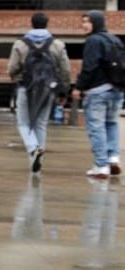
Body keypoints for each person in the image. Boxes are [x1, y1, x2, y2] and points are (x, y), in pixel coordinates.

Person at [7, 13, 70, 175]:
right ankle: (38, 161)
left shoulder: (20, 44)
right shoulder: (57, 44)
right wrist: (63, 91)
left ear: (32, 23)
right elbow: (65, 70)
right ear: (47, 24)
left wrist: (15, 76)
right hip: (48, 89)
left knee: (24, 123)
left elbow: (12, 68)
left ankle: (33, 149)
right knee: (41, 124)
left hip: (26, 87)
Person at [70, 10, 124, 182]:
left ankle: (101, 166)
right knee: (112, 123)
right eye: (83, 21)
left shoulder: (93, 40)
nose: (84, 25)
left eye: (87, 21)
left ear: (96, 23)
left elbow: (90, 67)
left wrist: (79, 87)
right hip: (116, 90)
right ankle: (113, 158)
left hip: (97, 92)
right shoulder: (114, 39)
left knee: (96, 127)